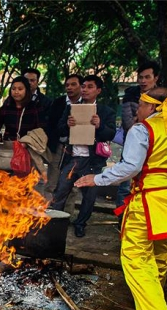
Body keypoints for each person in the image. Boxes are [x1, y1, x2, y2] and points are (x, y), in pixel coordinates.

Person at [75, 88, 167, 310]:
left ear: (152, 107)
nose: (137, 110)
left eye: (140, 105)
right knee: (160, 256)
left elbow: (131, 166)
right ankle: (153, 306)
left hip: (149, 202)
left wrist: (96, 179)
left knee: (134, 255)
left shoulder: (143, 130)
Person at [50, 75, 116, 238]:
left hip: (92, 161)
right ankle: (53, 223)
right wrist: (67, 124)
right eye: (84, 86)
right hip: (72, 157)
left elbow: (111, 134)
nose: (85, 89)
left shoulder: (106, 111)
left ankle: (80, 224)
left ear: (98, 90)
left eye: (90, 87)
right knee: (60, 192)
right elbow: (59, 130)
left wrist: (99, 126)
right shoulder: (72, 107)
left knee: (89, 196)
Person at [117, 61, 160, 212]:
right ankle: (122, 220)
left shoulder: (163, 96)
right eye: (140, 77)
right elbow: (129, 123)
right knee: (125, 185)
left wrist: (140, 120)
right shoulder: (131, 94)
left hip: (156, 150)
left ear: (156, 78)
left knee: (149, 185)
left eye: (147, 77)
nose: (143, 81)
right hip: (132, 147)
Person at [46, 74, 82, 198]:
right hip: (58, 147)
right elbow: (51, 125)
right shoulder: (58, 103)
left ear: (80, 87)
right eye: (67, 85)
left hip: (77, 149)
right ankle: (48, 214)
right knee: (52, 182)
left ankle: (67, 215)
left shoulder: (86, 104)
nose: (69, 88)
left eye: (73, 85)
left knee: (70, 186)